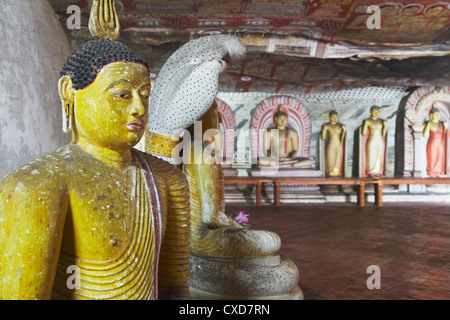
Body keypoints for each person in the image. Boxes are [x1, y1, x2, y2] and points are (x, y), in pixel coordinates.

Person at [0, 38, 191, 300]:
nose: (138, 108)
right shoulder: (36, 185)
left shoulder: (169, 179)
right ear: (69, 91)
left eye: (145, 95)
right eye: (122, 95)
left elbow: (176, 290)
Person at [361, 105, 387, 177]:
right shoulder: (368, 121)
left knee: (379, 155)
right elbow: (363, 133)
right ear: (370, 112)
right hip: (371, 139)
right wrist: (365, 124)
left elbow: (383, 134)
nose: (375, 113)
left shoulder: (381, 121)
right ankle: (371, 172)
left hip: (379, 139)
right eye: (374, 112)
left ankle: (378, 172)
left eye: (377, 112)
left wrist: (385, 126)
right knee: (371, 155)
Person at [423, 106, 448, 177]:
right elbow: (424, 135)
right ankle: (431, 173)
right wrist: (427, 125)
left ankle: (439, 173)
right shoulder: (430, 123)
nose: (438, 116)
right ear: (431, 115)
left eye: (438, 114)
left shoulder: (442, 123)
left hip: (440, 143)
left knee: (440, 158)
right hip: (432, 144)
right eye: (436, 114)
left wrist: (446, 126)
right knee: (432, 158)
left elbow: (446, 132)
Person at [320, 110, 346, 177]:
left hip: (338, 145)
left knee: (337, 161)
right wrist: (324, 129)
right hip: (330, 145)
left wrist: (344, 130)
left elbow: (343, 137)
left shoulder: (340, 126)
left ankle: (337, 174)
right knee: (330, 161)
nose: (334, 119)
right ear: (329, 117)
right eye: (333, 117)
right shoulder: (327, 125)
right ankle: (329, 174)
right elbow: (323, 138)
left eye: (336, 117)